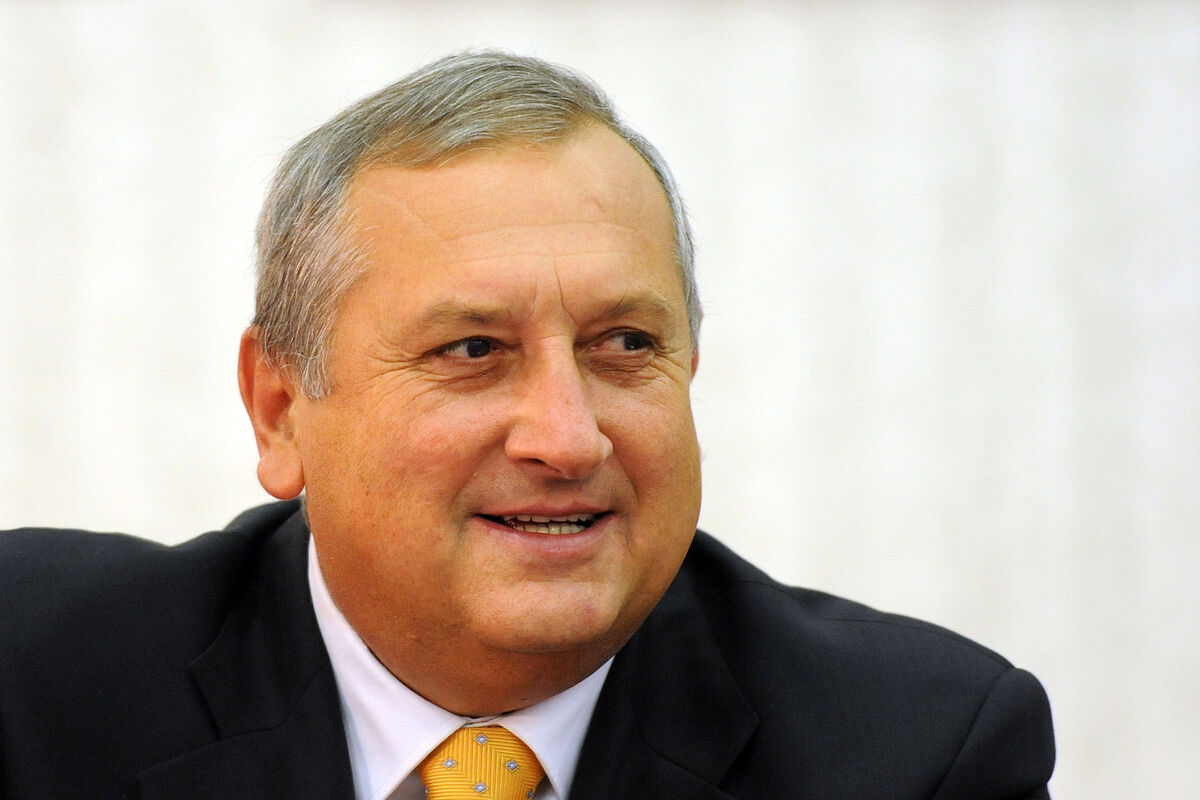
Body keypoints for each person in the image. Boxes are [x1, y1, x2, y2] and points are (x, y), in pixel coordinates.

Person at [0, 51, 1055, 799]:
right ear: (280, 410)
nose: (569, 438)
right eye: (473, 351)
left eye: (625, 344)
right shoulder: (31, 684)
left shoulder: (920, 753)